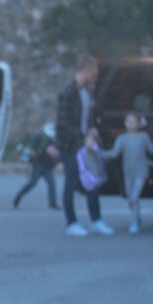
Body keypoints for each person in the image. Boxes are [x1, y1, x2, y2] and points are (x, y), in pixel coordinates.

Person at [57, 56, 114, 236]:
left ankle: (96, 220)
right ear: (86, 71)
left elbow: (86, 118)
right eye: (94, 72)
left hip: (85, 145)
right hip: (70, 146)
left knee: (93, 181)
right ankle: (71, 223)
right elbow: (63, 124)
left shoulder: (86, 93)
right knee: (72, 182)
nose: (95, 76)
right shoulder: (67, 92)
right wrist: (83, 137)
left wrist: (91, 130)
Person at [101, 112, 153, 234]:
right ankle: (137, 217)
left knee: (134, 197)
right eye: (128, 121)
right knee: (130, 198)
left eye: (134, 121)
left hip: (141, 171)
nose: (131, 124)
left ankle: (134, 224)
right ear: (125, 123)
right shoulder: (121, 139)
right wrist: (98, 152)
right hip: (128, 173)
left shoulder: (143, 137)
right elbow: (113, 153)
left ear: (139, 124)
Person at [13, 122, 61, 210]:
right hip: (39, 165)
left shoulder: (55, 141)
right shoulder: (39, 138)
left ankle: (52, 203)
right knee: (32, 183)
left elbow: (57, 154)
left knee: (52, 184)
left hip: (48, 167)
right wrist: (26, 158)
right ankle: (18, 197)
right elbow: (31, 151)